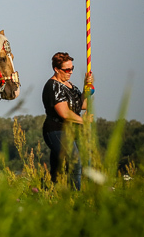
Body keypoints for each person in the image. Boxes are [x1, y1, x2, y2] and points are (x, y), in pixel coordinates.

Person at [42, 52, 94, 190]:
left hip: (74, 131)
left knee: (81, 161)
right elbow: (64, 113)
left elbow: (82, 105)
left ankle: (46, 192)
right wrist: (83, 121)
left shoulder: (71, 85)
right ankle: (73, 197)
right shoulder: (53, 86)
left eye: (72, 68)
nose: (70, 72)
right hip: (57, 130)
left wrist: (86, 87)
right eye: (66, 69)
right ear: (56, 69)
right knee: (75, 161)